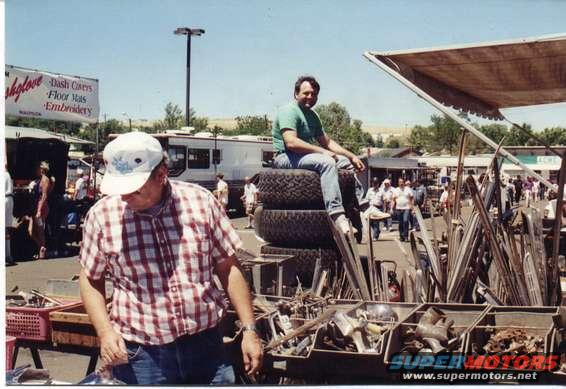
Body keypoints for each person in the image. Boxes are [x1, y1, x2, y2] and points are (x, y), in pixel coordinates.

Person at [78, 132, 263, 385]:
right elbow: (90, 279)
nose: (124, 196)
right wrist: (105, 332)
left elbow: (228, 267)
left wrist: (250, 331)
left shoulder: (200, 202)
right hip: (142, 357)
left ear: (162, 174)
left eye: (133, 189)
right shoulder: (101, 217)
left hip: (206, 349)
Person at [271, 75, 367, 234]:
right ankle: (337, 216)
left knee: (345, 163)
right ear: (296, 94)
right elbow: (291, 143)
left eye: (314, 94)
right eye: (306, 93)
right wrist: (324, 152)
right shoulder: (288, 111)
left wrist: (352, 156)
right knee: (326, 162)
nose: (310, 97)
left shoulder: (313, 115)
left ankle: (364, 206)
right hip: (285, 156)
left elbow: (327, 142)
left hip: (302, 156)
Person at [29, 161, 53, 259]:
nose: (36, 170)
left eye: (38, 168)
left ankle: (42, 250)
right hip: (37, 206)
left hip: (41, 207)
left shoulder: (45, 180)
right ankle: (42, 247)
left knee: (39, 230)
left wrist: (39, 210)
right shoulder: (40, 179)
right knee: (31, 230)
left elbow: (44, 195)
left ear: (42, 170)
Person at [5, 166, 15, 265]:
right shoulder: (7, 174)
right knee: (7, 229)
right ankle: (8, 255)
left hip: (4, 199)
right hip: (10, 199)